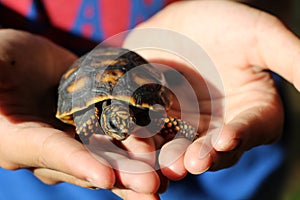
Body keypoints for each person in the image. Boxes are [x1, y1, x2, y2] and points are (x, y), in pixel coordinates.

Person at [0, 0, 298, 199]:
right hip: (34, 167)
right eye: (118, 122)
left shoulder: (138, 109)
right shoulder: (89, 115)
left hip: (231, 153)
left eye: (124, 119)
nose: (124, 125)